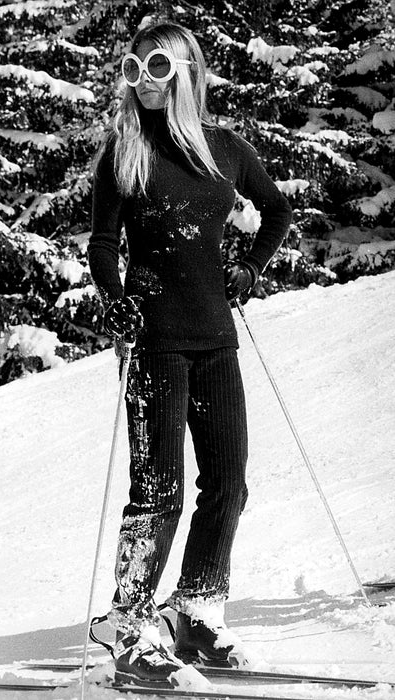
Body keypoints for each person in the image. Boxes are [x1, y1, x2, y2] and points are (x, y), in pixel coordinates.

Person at [88, 20, 292, 687]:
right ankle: (129, 623)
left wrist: (252, 267)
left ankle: (197, 612)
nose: (141, 82)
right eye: (132, 68)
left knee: (228, 485)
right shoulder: (123, 152)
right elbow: (102, 244)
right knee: (159, 494)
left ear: (185, 72)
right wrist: (114, 294)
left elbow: (276, 209)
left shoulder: (224, 149)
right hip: (154, 344)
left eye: (155, 67)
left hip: (215, 340)